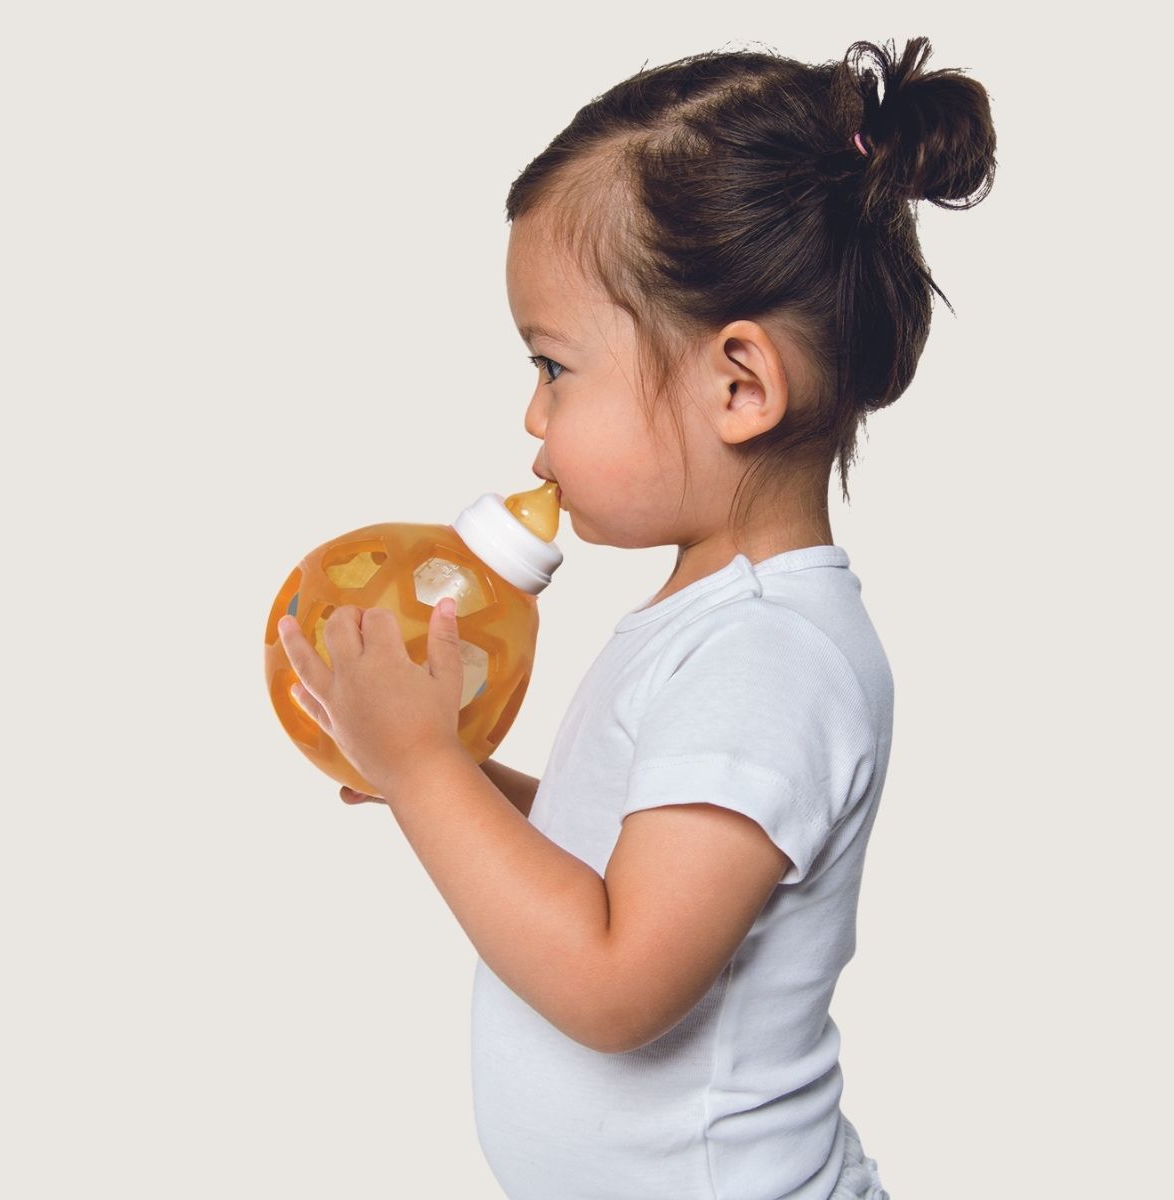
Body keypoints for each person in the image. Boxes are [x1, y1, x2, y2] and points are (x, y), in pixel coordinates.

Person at [345, 34, 995, 1200]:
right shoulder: (717, 622)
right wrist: (434, 768)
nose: (531, 416)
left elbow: (616, 981)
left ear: (739, 385)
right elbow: (621, 864)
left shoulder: (768, 657)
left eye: (554, 366)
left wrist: (426, 772)